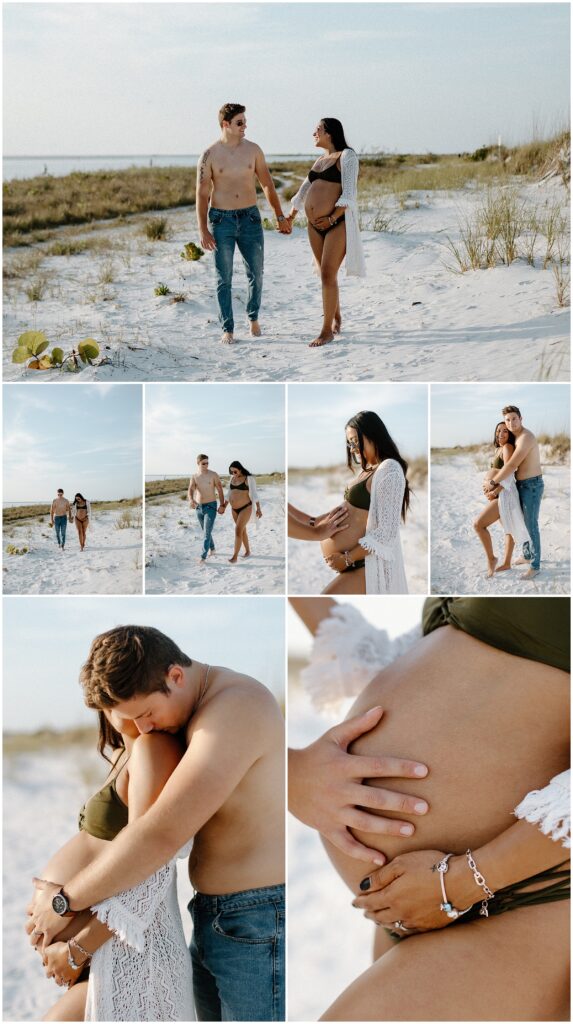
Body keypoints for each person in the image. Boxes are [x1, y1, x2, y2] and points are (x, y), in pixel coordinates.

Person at [289, 596, 570, 1021]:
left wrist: (460, 882)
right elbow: (435, 680)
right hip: (413, 904)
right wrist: (294, 775)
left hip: (529, 890)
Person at [28, 625, 285, 1022]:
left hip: (254, 916)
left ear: (176, 676)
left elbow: (159, 838)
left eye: (146, 714)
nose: (143, 726)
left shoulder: (234, 706)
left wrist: (64, 904)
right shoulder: (187, 721)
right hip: (216, 917)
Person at [27, 710, 192, 1021]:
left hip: (130, 957)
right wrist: (45, 916)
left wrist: (74, 942)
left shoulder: (153, 748)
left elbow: (149, 872)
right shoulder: (124, 753)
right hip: (104, 954)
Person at [196, 103, 291, 345]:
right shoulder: (209, 155)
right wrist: (203, 229)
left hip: (250, 218)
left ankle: (253, 317)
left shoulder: (254, 150)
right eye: (239, 122)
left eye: (245, 122)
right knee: (223, 277)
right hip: (221, 220)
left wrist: (279, 216)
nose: (244, 126)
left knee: (256, 273)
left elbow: (268, 184)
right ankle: (227, 328)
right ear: (225, 124)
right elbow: (202, 193)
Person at [296, 411, 410, 595]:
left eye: (355, 441)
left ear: (373, 434)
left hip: (366, 564)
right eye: (349, 443)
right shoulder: (369, 470)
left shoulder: (390, 469)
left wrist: (347, 559)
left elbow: (386, 534)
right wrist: (312, 522)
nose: (352, 448)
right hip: (356, 563)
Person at [287, 119, 366, 347]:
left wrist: (331, 217)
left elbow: (349, 194)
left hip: (337, 223)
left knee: (327, 275)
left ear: (329, 133)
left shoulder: (347, 157)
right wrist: (290, 217)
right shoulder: (320, 160)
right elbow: (303, 192)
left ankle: (326, 331)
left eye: (318, 130)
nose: (314, 133)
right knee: (325, 274)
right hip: (314, 226)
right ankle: (336, 317)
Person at [484, 406, 544, 579]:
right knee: (522, 522)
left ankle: (535, 566)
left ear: (521, 418)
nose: (511, 423)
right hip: (520, 484)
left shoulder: (525, 437)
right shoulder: (514, 437)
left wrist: (494, 483)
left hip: (532, 485)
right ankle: (526, 555)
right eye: (508, 420)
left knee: (531, 524)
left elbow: (511, 466)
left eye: (514, 419)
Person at [473, 423, 530, 577]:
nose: (501, 433)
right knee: (508, 528)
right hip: (498, 495)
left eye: (505, 431)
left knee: (478, 525)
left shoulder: (507, 448)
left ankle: (492, 559)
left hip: (504, 495)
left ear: (509, 434)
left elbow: (510, 473)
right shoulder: (499, 448)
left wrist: (495, 490)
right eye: (498, 430)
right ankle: (506, 562)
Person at [188, 454, 225, 565]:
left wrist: (222, 505)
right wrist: (191, 500)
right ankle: (212, 548)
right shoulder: (194, 476)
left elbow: (220, 490)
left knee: (206, 532)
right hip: (199, 507)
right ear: (198, 463)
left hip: (211, 506)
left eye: (207, 462)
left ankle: (203, 557)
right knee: (206, 531)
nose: (206, 465)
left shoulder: (213, 475)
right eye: (204, 463)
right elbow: (190, 489)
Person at [223, 460, 262, 563]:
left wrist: (258, 508)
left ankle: (234, 557)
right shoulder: (232, 478)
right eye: (231, 472)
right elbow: (228, 494)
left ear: (240, 469)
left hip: (246, 507)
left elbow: (254, 494)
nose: (233, 474)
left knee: (238, 530)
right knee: (242, 530)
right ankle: (248, 551)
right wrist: (224, 506)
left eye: (235, 472)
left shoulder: (248, 478)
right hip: (234, 509)